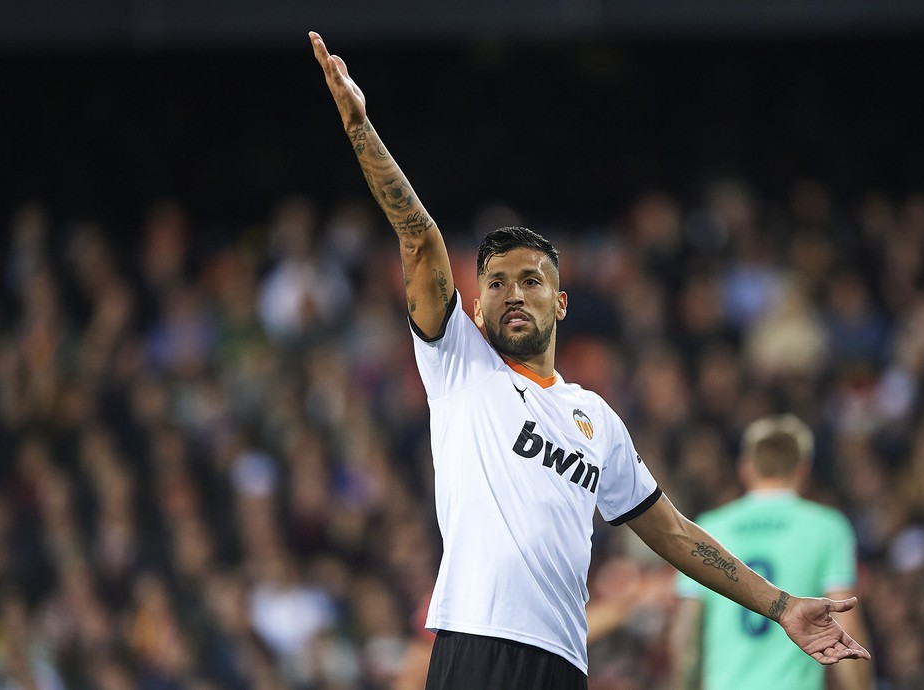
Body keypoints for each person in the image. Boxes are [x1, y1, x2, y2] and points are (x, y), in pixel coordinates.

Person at [309, 31, 871, 690]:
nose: (513, 292)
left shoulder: (595, 419)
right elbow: (419, 237)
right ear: (477, 307)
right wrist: (360, 127)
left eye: (531, 280)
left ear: (562, 303)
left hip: (564, 662)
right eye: (496, 283)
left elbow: (672, 532)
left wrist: (781, 606)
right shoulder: (459, 363)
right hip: (476, 646)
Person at [670, 414, 875, 690]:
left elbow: (686, 632)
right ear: (802, 468)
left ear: (745, 469)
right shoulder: (826, 528)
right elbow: (845, 622)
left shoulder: (710, 528)